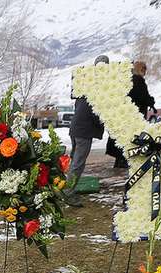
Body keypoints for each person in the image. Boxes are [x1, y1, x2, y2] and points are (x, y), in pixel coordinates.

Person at [64, 55, 109, 206]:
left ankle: (66, 187)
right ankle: (68, 193)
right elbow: (95, 112)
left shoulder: (84, 83)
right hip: (83, 131)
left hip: (75, 128)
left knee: (75, 161)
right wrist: (102, 123)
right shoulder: (99, 87)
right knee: (78, 163)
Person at [107, 60, 157, 170]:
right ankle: (123, 161)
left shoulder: (128, 80)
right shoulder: (139, 81)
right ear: (141, 69)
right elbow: (143, 97)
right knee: (131, 138)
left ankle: (119, 161)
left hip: (126, 114)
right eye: (144, 69)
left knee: (124, 137)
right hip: (135, 115)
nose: (145, 72)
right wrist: (151, 101)